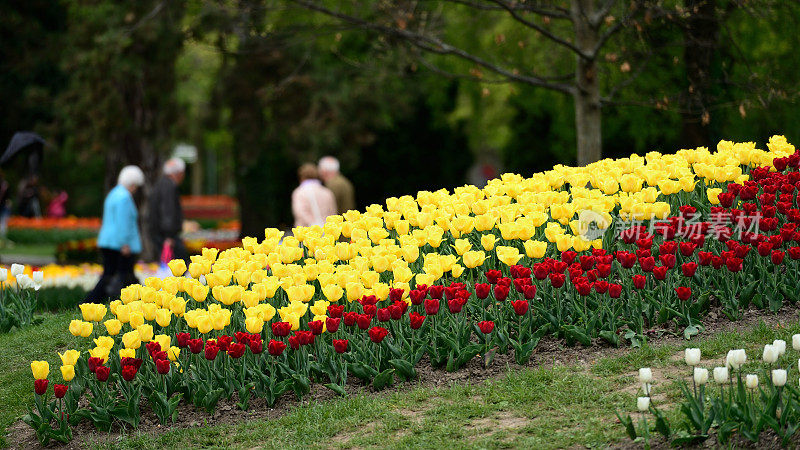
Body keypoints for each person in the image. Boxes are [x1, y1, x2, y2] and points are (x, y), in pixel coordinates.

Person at [85, 166, 145, 303]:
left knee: (120, 274)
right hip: (119, 244)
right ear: (132, 184)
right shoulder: (124, 197)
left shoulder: (114, 194)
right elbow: (122, 222)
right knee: (117, 275)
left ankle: (135, 301)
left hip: (109, 242)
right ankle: (89, 302)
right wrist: (125, 243)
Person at [148, 157, 187, 265]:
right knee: (179, 266)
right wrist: (168, 235)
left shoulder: (160, 184)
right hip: (166, 234)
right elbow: (167, 210)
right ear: (178, 173)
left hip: (159, 232)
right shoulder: (169, 186)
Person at [292, 163, 336, 227]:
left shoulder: (299, 192)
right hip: (326, 231)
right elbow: (332, 213)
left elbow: (300, 212)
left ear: (301, 177)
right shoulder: (327, 192)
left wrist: (313, 225)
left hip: (306, 232)